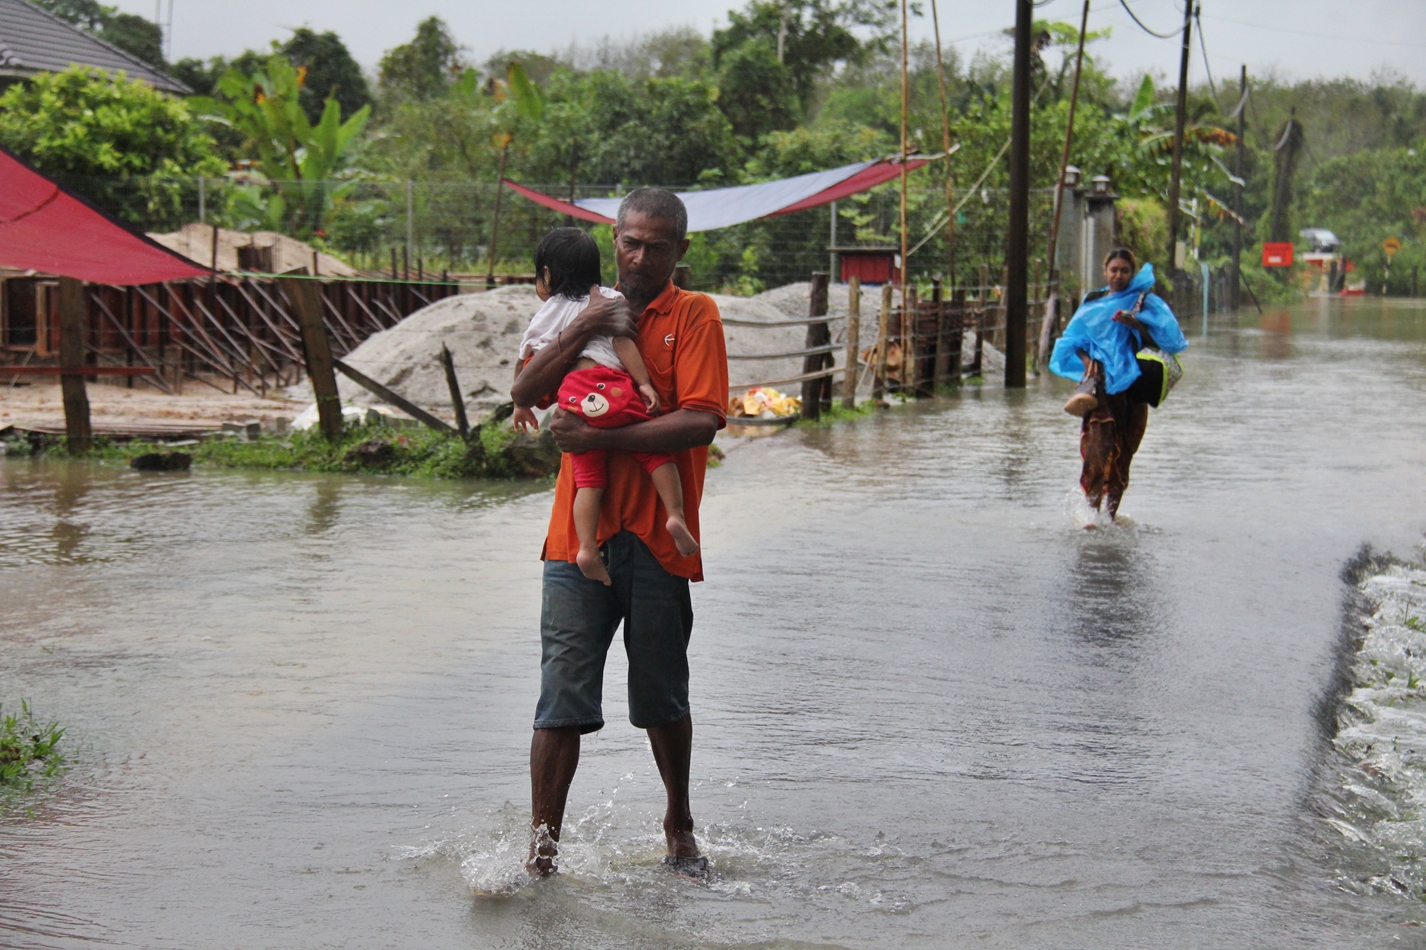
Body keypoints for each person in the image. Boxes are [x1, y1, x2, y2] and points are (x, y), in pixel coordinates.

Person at [509, 189, 728, 878]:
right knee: (560, 697)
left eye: (657, 245)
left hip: (662, 540)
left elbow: (701, 420)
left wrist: (605, 432)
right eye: (631, 242)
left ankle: (679, 824)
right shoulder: (580, 306)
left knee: (662, 692)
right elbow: (526, 392)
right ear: (614, 240)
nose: (640, 255)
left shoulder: (694, 314)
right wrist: (584, 328)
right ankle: (542, 852)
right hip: (578, 541)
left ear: (679, 252)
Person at [512, 228, 698, 586]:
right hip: (615, 393)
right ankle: (675, 515)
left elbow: (525, 364)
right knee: (657, 456)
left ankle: (585, 548)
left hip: (576, 398)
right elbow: (624, 343)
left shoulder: (547, 314)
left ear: (547, 275)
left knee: (588, 480)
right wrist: (643, 383)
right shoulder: (612, 299)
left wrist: (521, 406)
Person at [1049, 248, 1188, 521]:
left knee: (1124, 451)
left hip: (1133, 387)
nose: (1118, 275)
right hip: (1102, 385)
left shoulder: (1144, 303)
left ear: (1132, 273)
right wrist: (1088, 360)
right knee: (1098, 447)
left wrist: (1135, 324)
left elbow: (1166, 343)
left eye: (1124, 270)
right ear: (1105, 271)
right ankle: (1090, 516)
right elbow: (1072, 340)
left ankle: (1110, 518)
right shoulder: (1093, 301)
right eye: (1114, 270)